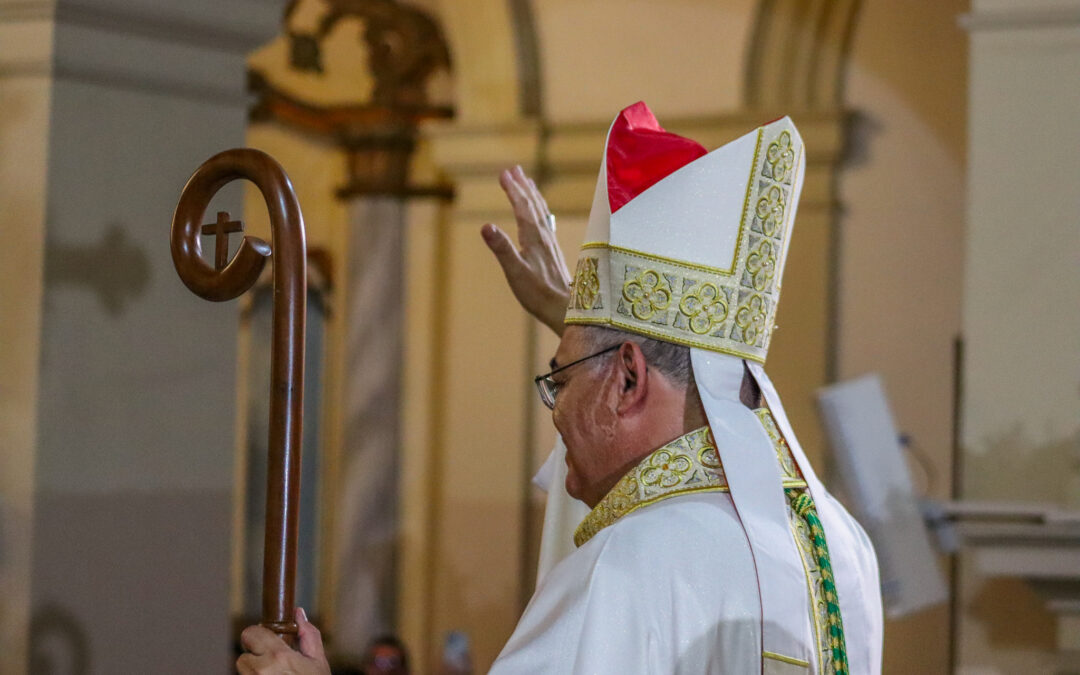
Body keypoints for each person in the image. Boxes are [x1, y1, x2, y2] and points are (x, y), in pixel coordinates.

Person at [237, 102, 884, 674]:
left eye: (561, 380)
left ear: (629, 378)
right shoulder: (838, 545)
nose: (554, 413)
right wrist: (581, 330)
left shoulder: (633, 562)